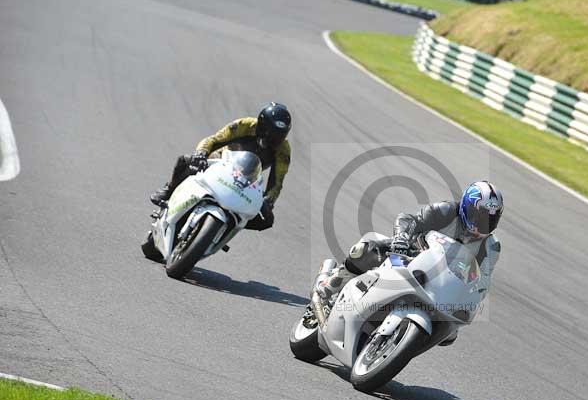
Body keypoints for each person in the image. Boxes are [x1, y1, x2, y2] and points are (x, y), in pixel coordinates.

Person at [315, 181, 503, 344]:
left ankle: (394, 340)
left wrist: (471, 297)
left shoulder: (491, 246)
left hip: (442, 286)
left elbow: (483, 279)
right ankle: (331, 284)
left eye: (491, 219)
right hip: (407, 258)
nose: (484, 224)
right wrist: (402, 238)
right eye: (480, 216)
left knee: (449, 335)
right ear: (466, 208)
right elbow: (409, 219)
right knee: (367, 249)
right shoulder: (446, 211)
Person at [150, 103, 292, 231]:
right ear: (261, 125)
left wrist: (269, 201)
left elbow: (277, 182)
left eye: (279, 136)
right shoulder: (244, 125)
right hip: (222, 161)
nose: (273, 140)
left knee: (266, 220)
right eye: (271, 134)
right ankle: (170, 191)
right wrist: (201, 153)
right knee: (185, 161)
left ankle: (229, 225)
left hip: (247, 180)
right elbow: (214, 139)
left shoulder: (283, 150)